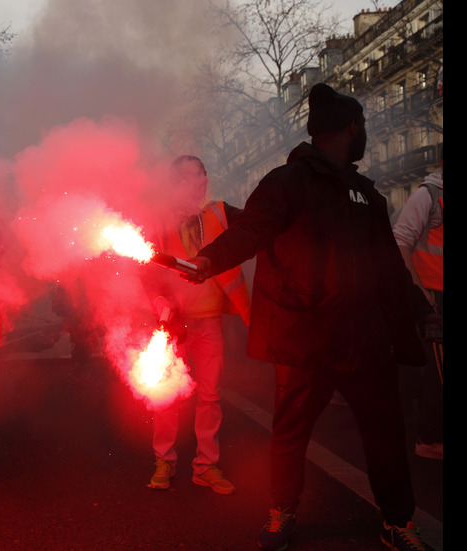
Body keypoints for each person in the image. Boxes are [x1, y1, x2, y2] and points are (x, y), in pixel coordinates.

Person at [184, 84, 435, 551]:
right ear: (351, 129)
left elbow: (388, 267)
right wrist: (209, 260)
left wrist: (420, 311)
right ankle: (282, 511)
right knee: (290, 434)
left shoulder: (368, 195)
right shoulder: (286, 183)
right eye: (360, 127)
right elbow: (252, 230)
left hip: (365, 341)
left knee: (385, 437)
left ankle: (398, 522)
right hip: (305, 341)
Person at [144, 156, 251, 495]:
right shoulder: (158, 219)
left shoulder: (219, 212)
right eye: (191, 176)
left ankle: (206, 465)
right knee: (166, 395)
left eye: (203, 174)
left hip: (209, 322)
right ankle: (165, 459)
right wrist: (161, 306)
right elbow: (148, 272)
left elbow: (256, 227)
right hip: (172, 325)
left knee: (210, 396)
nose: (200, 182)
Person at [392, 149, 443, 460]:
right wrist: (418, 294)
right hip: (434, 297)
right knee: (438, 374)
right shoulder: (429, 195)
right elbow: (401, 241)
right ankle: (430, 440)